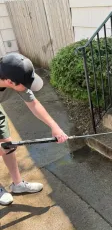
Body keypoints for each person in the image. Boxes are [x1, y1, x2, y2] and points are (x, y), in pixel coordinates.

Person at [0, 52, 68, 206]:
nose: (28, 87)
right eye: (26, 83)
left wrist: (55, 127)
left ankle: (17, 185)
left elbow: (34, 104)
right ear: (10, 82)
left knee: (8, 146)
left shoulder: (13, 76)